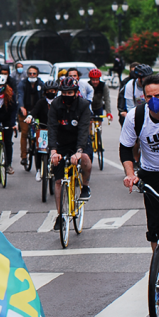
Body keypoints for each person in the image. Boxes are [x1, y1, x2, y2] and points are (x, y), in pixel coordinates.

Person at [120, 74, 159, 252]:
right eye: (149, 97)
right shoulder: (136, 117)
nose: (153, 100)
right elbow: (125, 148)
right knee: (154, 226)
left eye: (158, 96)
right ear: (143, 97)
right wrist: (130, 174)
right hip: (151, 173)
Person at [49, 77, 93, 230]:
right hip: (61, 143)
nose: (67, 95)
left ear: (76, 93)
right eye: (64, 93)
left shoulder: (83, 105)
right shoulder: (55, 104)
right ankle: (60, 215)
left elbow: (83, 130)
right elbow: (52, 128)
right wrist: (53, 151)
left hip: (79, 142)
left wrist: (79, 152)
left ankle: (85, 186)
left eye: (70, 93)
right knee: (58, 181)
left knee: (86, 159)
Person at [25, 81, 59, 181]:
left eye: (52, 91)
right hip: (43, 129)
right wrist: (29, 117)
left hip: (56, 130)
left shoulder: (58, 102)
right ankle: (39, 169)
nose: (50, 92)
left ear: (56, 91)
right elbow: (34, 111)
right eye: (48, 91)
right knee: (38, 149)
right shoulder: (41, 102)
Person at [17, 65, 43, 169]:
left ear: (37, 74)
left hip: (37, 113)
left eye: (34, 73)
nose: (32, 75)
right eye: (30, 73)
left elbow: (43, 97)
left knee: (40, 132)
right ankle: (24, 156)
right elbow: (20, 95)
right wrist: (22, 107)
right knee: (25, 133)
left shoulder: (41, 84)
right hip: (25, 112)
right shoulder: (22, 84)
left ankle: (41, 152)